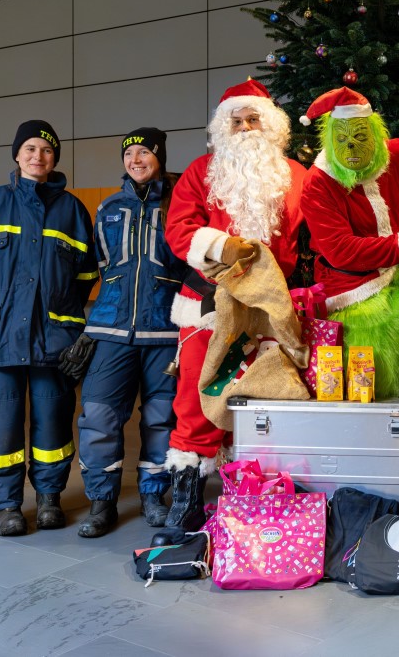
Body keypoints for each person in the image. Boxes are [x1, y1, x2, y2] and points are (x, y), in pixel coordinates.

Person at [155, 79, 306, 542]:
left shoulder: (297, 176)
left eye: (252, 119)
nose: (244, 128)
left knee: (271, 396)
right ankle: (187, 495)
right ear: (223, 128)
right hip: (208, 302)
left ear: (271, 125)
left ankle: (264, 495)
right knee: (198, 396)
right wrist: (223, 246)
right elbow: (179, 230)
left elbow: (315, 238)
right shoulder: (202, 170)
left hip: (275, 306)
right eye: (236, 121)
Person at [0, 120, 98, 535]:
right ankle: (6, 506)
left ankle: (50, 498)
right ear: (17, 154)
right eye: (31, 149)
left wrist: (60, 313)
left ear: (55, 159)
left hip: (53, 338)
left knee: (53, 423)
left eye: (47, 150)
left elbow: (85, 276)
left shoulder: (72, 209)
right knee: (0, 427)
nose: (38, 156)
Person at [300, 87, 399, 400]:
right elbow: (341, 251)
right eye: (341, 139)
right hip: (353, 291)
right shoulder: (319, 182)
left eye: (358, 136)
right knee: (374, 382)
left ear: (374, 133)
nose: (351, 146)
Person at [73, 128, 188, 538]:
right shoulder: (107, 208)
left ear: (159, 156)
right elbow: (103, 267)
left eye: (144, 152)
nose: (135, 159)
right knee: (99, 416)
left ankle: (153, 496)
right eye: (129, 153)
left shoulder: (179, 205)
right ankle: (101, 502)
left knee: (161, 419)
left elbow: (188, 267)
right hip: (111, 329)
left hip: (165, 331)